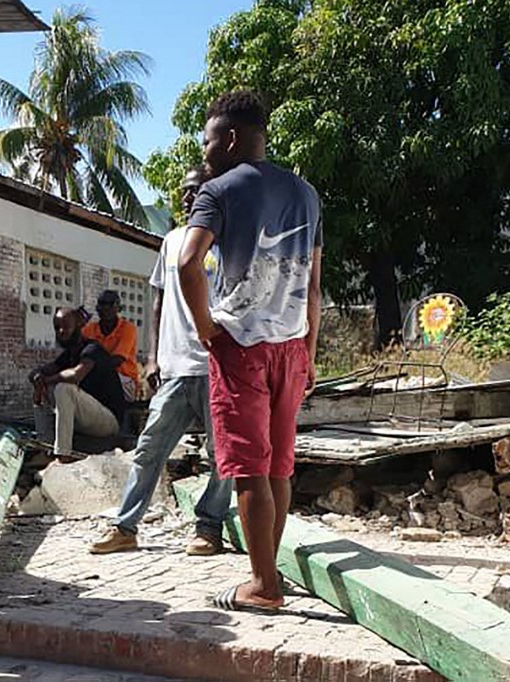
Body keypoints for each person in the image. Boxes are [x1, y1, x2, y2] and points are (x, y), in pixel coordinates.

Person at [178, 90, 322, 613]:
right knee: (280, 469)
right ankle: (269, 571)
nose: (206, 148)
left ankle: (263, 586)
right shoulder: (306, 194)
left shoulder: (217, 191)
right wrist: (307, 350)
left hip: (241, 348)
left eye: (210, 138)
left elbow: (187, 263)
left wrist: (204, 328)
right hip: (290, 348)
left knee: (249, 472)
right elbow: (314, 287)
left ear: (232, 138)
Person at [90, 167, 234, 556]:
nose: (189, 198)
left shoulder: (227, 241)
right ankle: (125, 527)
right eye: (186, 191)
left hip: (215, 366)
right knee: (150, 447)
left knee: (221, 454)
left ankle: (209, 527)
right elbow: (157, 299)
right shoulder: (171, 241)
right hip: (174, 368)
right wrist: (152, 357)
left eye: (198, 190)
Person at [31, 308, 125, 460]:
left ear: (78, 326)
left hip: (109, 421)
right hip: (86, 418)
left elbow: (75, 375)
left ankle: (63, 454)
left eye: (66, 326)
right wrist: (38, 378)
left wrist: (48, 379)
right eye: (57, 327)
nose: (61, 331)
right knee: (42, 387)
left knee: (63, 388)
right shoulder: (68, 354)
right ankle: (45, 447)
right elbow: (44, 371)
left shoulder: (93, 349)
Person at [82, 290, 141, 402]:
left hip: (125, 380)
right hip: (96, 377)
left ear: (118, 308)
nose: (105, 309)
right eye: (102, 304)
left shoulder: (128, 328)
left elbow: (117, 360)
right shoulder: (88, 330)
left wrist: (88, 368)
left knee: (98, 379)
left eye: (109, 305)